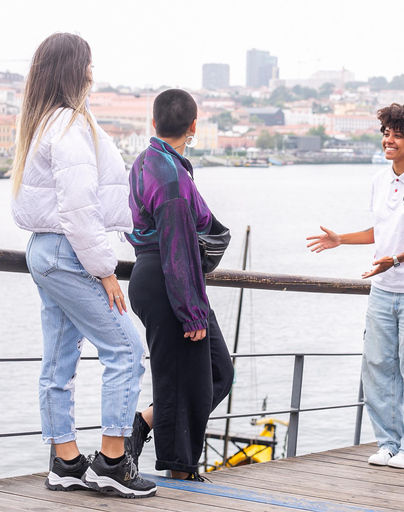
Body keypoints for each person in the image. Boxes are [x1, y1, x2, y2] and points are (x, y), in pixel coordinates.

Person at [11, 33, 156, 498]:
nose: (95, 71)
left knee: (58, 361)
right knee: (127, 349)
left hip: (47, 252)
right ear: (77, 70)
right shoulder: (70, 126)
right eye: (89, 63)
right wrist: (106, 270)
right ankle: (113, 460)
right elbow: (78, 209)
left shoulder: (46, 122)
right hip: (68, 253)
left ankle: (66, 460)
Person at [307, 101, 404, 469]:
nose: (389, 139)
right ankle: (389, 443)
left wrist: (398, 259)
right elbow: (380, 231)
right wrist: (342, 239)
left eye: (397, 134)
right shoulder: (380, 179)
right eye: (386, 132)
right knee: (377, 367)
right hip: (383, 291)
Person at [124, 89, 234, 480]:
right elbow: (176, 244)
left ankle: (143, 425)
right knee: (179, 379)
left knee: (218, 371)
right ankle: (180, 473)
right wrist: (190, 312)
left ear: (153, 124)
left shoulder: (147, 162)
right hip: (169, 280)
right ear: (193, 126)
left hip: (161, 276)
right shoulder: (170, 176)